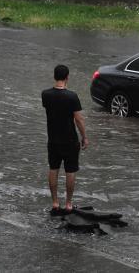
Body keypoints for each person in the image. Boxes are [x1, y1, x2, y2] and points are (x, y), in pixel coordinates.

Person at [42, 65, 88, 215]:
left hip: (53, 140)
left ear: (54, 76)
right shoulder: (72, 96)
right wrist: (84, 137)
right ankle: (68, 204)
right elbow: (79, 120)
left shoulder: (45, 94)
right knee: (70, 171)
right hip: (70, 140)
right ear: (67, 77)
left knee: (53, 169)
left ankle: (55, 203)